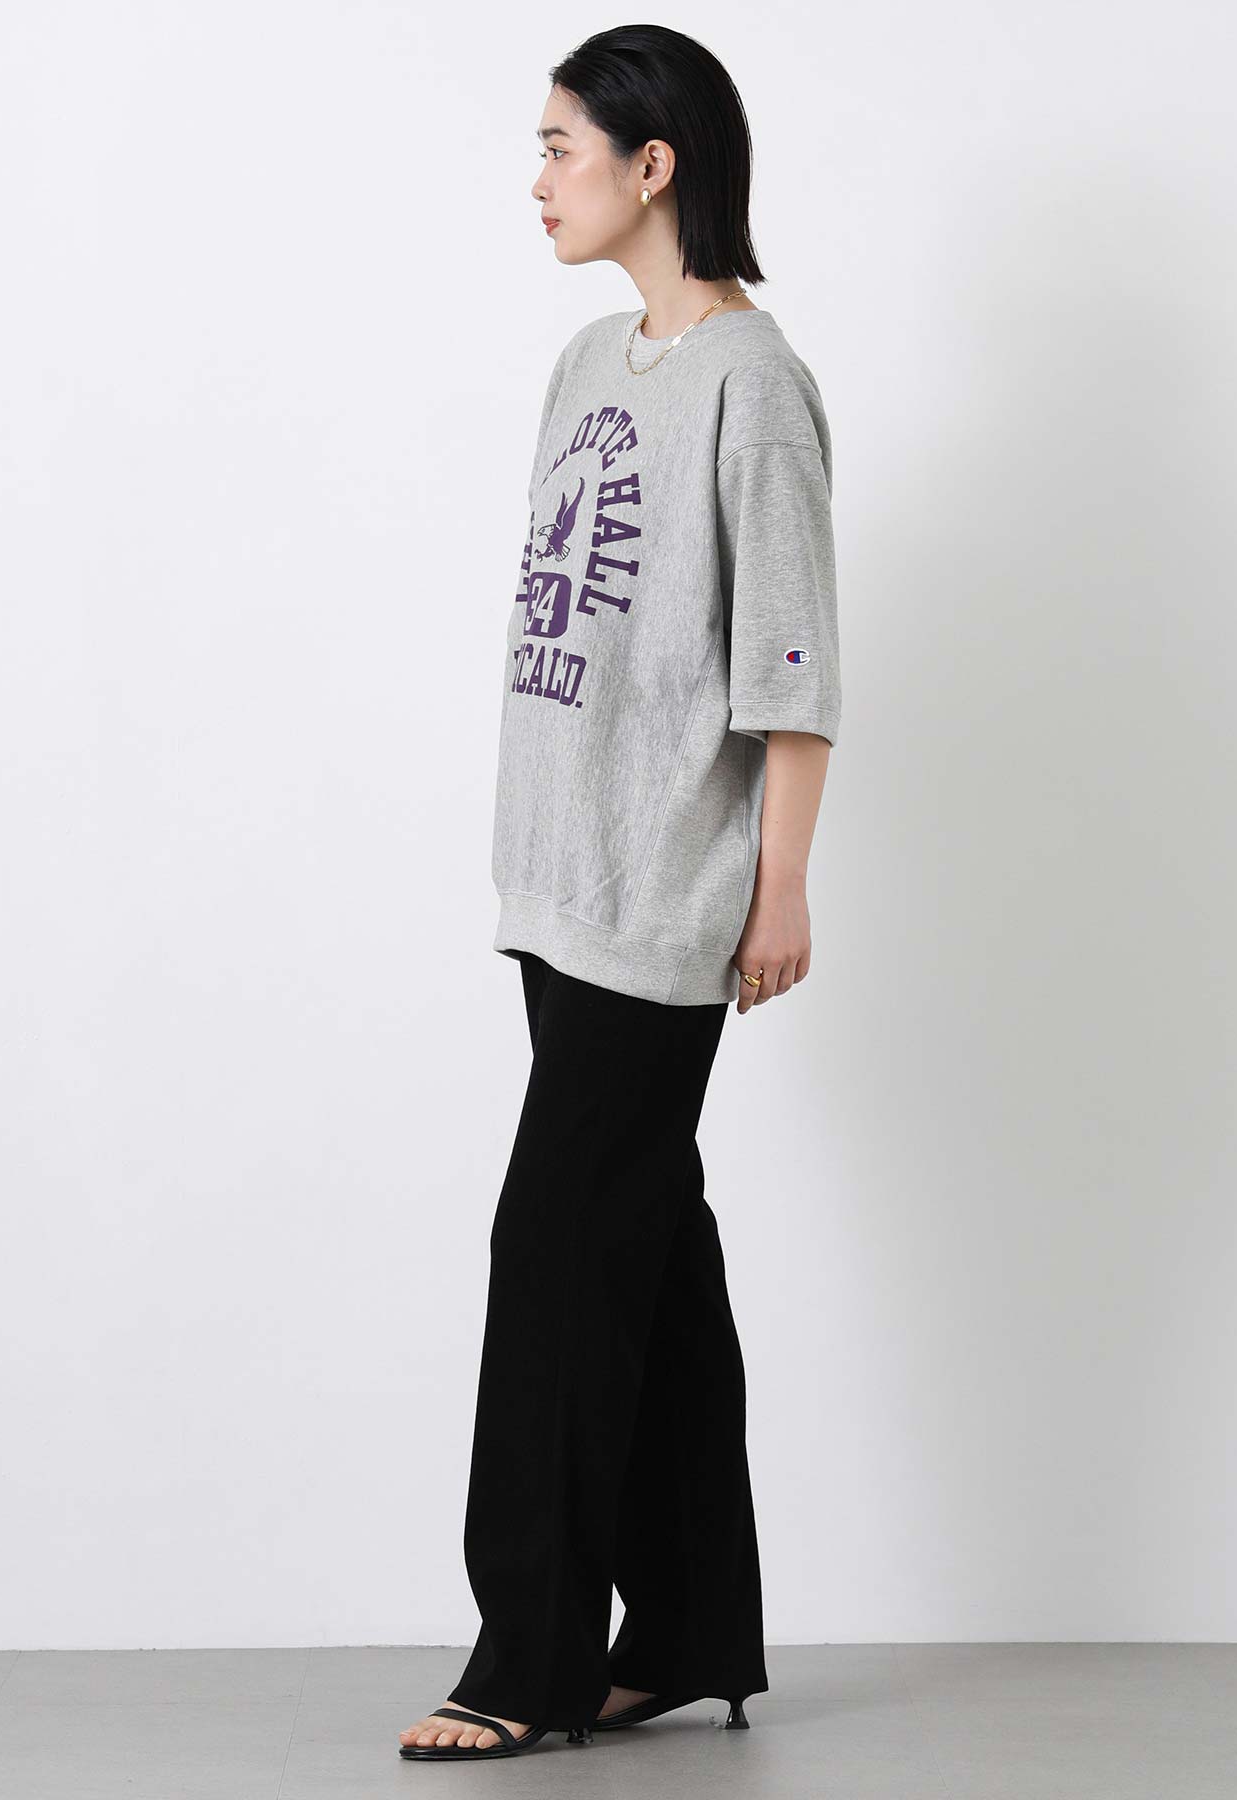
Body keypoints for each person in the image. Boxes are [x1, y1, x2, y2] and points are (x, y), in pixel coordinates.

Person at [399, 23, 842, 1763]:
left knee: (557, 1253)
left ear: (654, 166)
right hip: (559, 873)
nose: (537, 180)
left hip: (667, 886)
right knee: (648, 1241)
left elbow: (790, 663)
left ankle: (526, 1657)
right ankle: (689, 1629)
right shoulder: (589, 361)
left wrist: (778, 886)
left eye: (559, 147)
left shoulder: (756, 385)